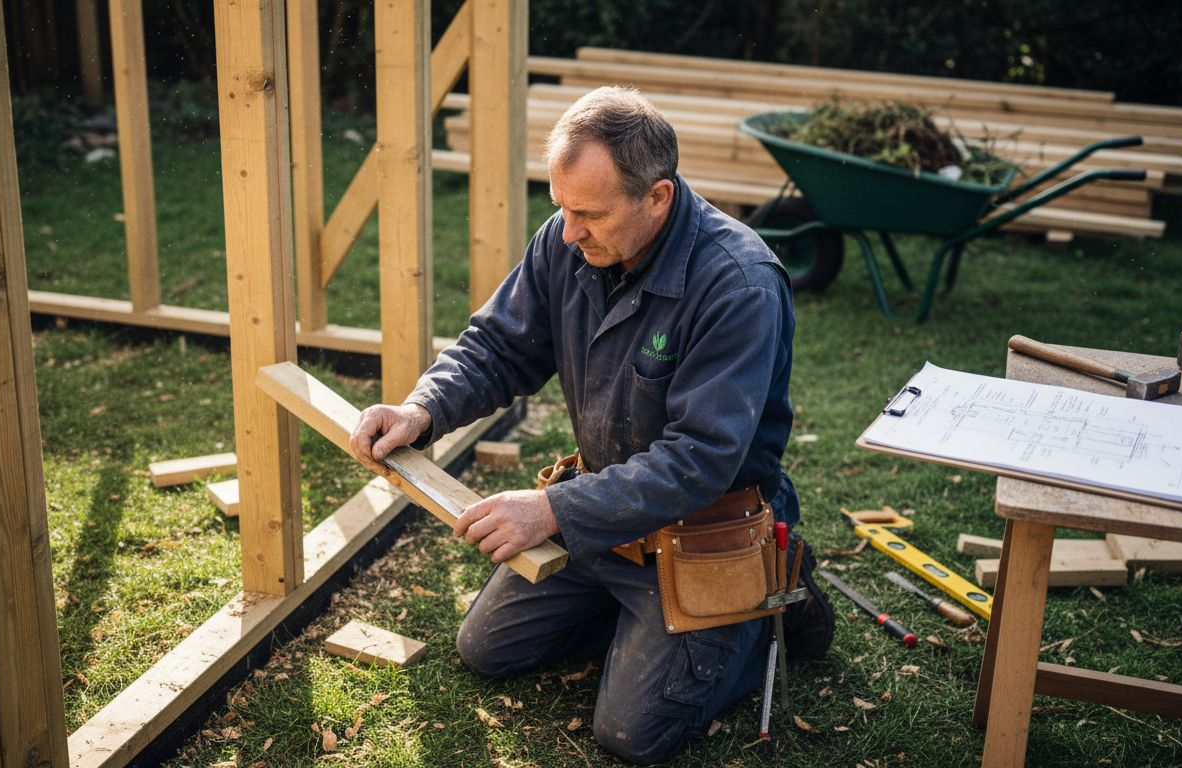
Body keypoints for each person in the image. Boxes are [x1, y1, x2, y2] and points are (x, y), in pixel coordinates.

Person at [350, 86, 833, 764]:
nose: (569, 231)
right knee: (487, 649)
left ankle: (766, 604)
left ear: (657, 197)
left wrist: (551, 510)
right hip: (606, 516)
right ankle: (639, 619)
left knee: (630, 734)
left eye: (591, 214)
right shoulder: (567, 238)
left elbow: (697, 460)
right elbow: (499, 347)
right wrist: (421, 409)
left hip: (702, 531)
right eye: (562, 206)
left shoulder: (739, 283)